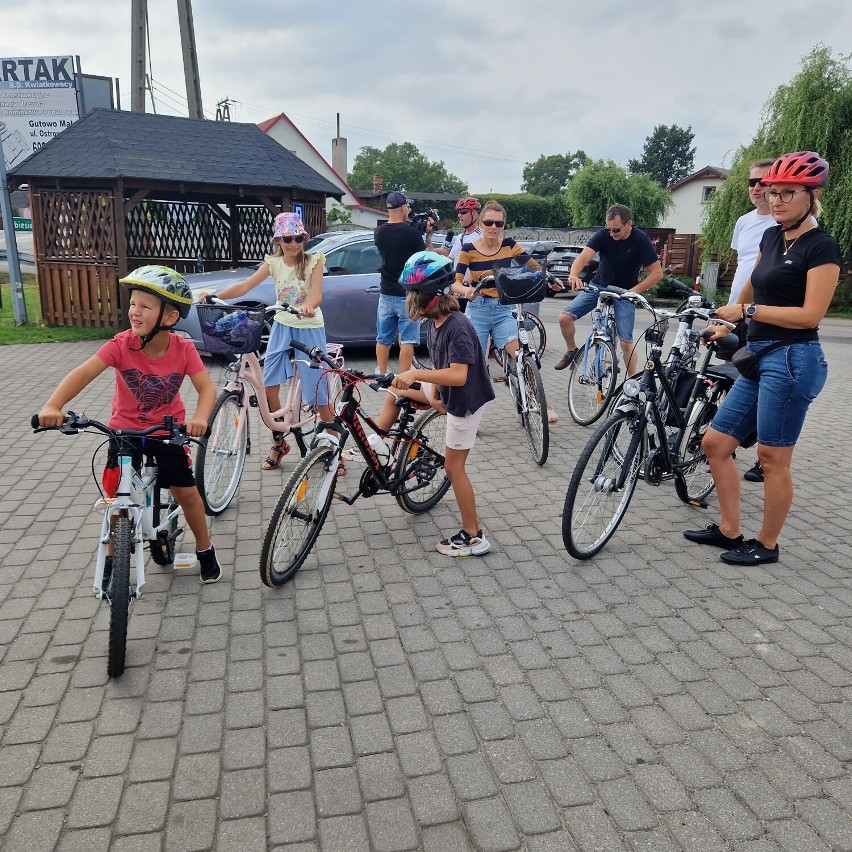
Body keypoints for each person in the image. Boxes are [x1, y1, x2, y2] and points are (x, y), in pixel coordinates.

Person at [684, 151, 840, 566]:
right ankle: (730, 531)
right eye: (773, 193)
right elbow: (753, 283)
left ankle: (767, 544)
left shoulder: (821, 246)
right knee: (715, 443)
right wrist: (729, 323)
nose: (776, 201)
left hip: (794, 359)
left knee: (772, 458)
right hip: (758, 354)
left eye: (788, 193)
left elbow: (811, 315)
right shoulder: (772, 235)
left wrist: (747, 313)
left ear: (811, 196)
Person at [37, 265, 222, 583]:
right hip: (124, 432)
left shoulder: (183, 349)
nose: (134, 312)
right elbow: (83, 372)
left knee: (187, 493)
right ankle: (112, 558)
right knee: (118, 498)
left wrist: (200, 418)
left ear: (169, 317)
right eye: (133, 304)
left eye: (145, 306)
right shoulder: (121, 345)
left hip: (168, 431)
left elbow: (207, 389)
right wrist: (54, 405)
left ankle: (205, 549)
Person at [374, 251, 495, 557]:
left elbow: (459, 374)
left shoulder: (457, 326)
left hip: (466, 402)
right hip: (445, 392)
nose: (409, 301)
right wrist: (431, 392)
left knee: (455, 468)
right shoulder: (436, 321)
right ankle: (380, 444)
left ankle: (474, 535)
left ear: (430, 297)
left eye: (413, 294)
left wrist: (418, 373)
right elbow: (443, 368)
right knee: (396, 390)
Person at [204, 213, 341, 473]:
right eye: (287, 238)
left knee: (318, 393)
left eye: (298, 238)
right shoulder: (273, 263)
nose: (293, 243)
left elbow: (317, 295)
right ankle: (279, 444)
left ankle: (335, 449)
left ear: (304, 238)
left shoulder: (314, 261)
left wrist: (308, 307)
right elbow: (245, 286)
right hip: (281, 325)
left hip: (309, 327)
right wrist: (214, 296)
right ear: (278, 239)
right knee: (269, 389)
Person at [556, 203, 663, 376]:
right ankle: (571, 350)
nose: (611, 234)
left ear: (629, 224)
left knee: (626, 343)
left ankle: (631, 385)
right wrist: (574, 274)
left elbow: (657, 273)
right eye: (609, 229)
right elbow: (583, 257)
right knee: (564, 318)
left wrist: (634, 291)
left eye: (616, 230)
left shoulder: (640, 240)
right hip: (600, 286)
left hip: (625, 291)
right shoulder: (604, 235)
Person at [728, 158, 778, 484]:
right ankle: (727, 439)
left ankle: (765, 457)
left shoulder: (784, 223)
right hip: (738, 312)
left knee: (766, 389)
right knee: (731, 377)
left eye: (763, 182)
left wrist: (748, 308)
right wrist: (732, 307)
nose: (756, 187)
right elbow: (742, 268)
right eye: (751, 182)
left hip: (767, 315)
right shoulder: (744, 222)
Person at [374, 191, 431, 374]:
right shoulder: (411, 233)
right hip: (407, 293)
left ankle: (381, 373)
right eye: (407, 206)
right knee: (407, 340)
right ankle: (405, 376)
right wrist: (427, 233)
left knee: (383, 338)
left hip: (386, 292)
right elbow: (424, 256)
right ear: (402, 208)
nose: (409, 209)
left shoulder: (379, 232)